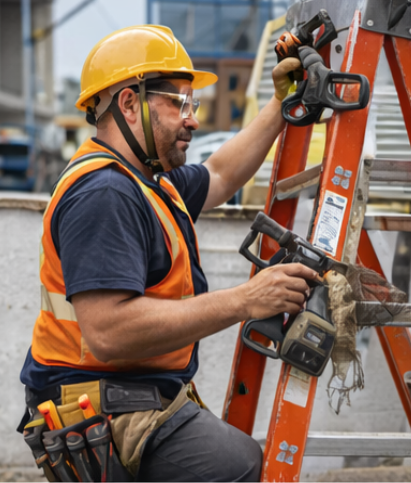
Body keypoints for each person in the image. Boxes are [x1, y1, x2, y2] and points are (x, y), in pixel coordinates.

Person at [19, 25, 317, 481]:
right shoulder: (105, 193)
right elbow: (109, 333)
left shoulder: (149, 184)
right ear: (129, 104)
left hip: (127, 392)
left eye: (192, 104)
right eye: (179, 102)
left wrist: (281, 105)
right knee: (238, 464)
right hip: (101, 406)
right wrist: (245, 300)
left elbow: (219, 174)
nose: (193, 118)